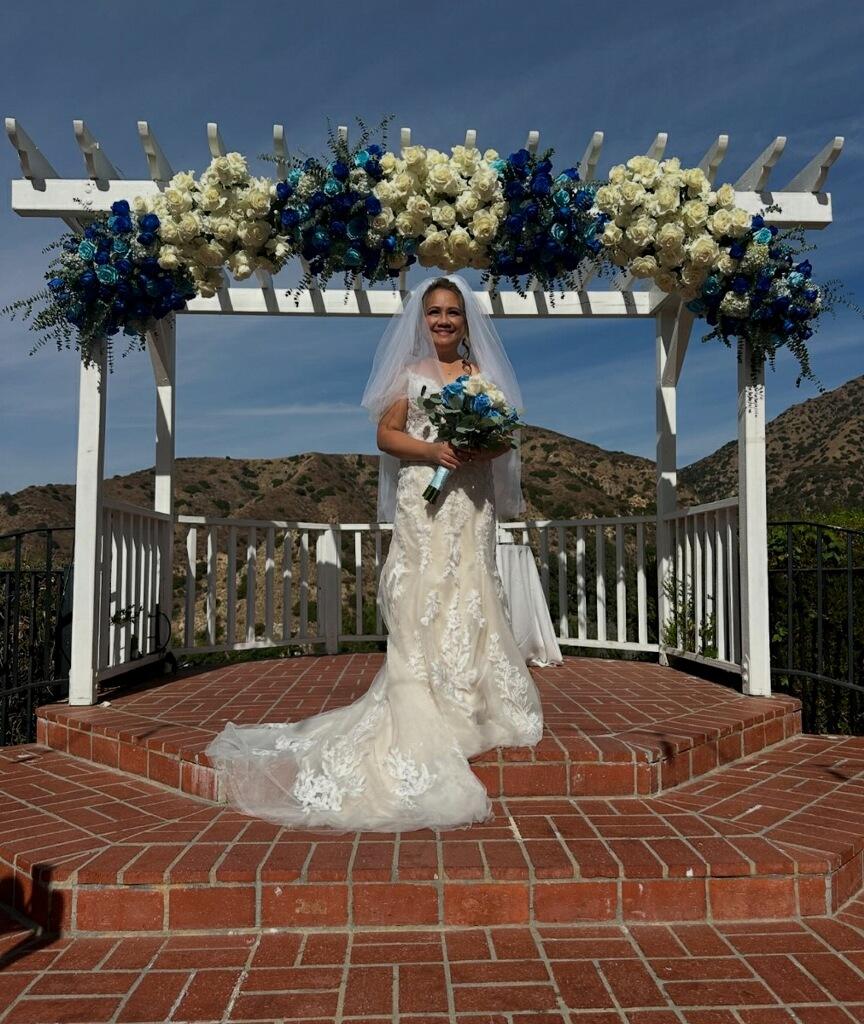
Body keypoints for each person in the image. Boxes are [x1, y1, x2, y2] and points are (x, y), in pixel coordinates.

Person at [205, 273, 543, 833]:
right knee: (422, 593)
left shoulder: (482, 377)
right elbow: (387, 436)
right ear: (422, 319)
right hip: (424, 501)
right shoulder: (410, 375)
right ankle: (424, 700)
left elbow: (505, 437)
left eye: (452, 312)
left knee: (472, 589)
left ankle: (475, 701)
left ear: (466, 320)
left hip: (471, 501)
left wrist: (474, 446)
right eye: (434, 312)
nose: (443, 320)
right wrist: (433, 450)